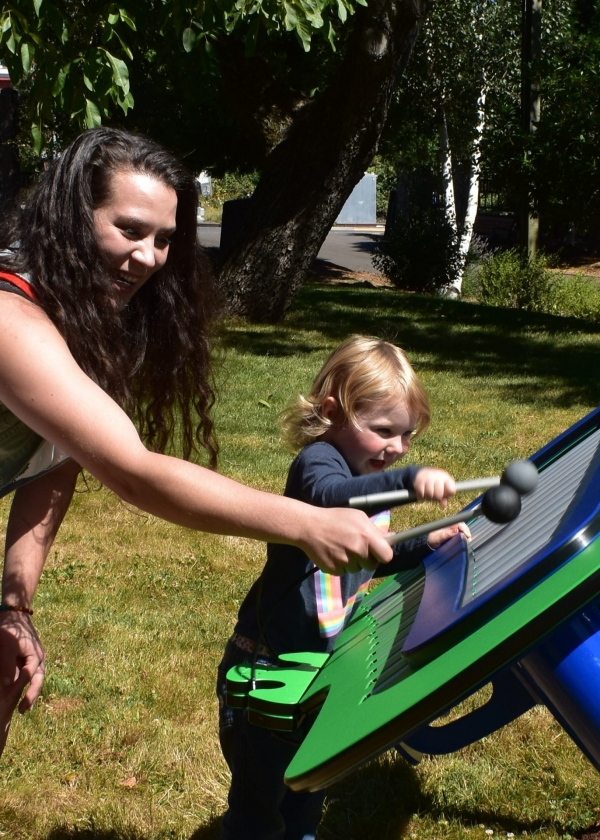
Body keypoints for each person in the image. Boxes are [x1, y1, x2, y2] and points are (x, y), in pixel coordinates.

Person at [0, 128, 396, 757]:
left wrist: (14, 608)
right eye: (129, 229)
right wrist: (305, 522)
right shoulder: (10, 319)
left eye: (163, 239)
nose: (150, 257)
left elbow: (51, 471)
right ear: (71, 219)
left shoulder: (76, 321)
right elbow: (132, 471)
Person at [216, 336, 471, 840]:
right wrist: (408, 479)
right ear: (333, 412)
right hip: (265, 672)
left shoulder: (364, 475)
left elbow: (374, 554)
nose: (396, 447)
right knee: (258, 808)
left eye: (406, 436)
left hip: (317, 669)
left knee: (308, 792)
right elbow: (334, 500)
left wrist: (426, 541)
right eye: (383, 431)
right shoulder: (320, 466)